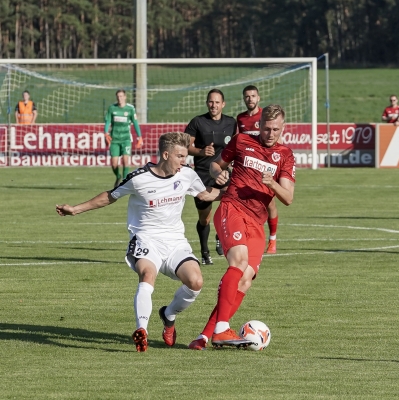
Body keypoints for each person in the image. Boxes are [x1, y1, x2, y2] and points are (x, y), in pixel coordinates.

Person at [56, 132, 223, 352]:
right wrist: (75, 210)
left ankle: (168, 314)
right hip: (146, 239)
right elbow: (110, 196)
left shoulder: (187, 175)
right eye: (180, 156)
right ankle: (141, 331)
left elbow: (205, 195)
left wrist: (238, 191)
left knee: (196, 282)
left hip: (175, 242)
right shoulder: (139, 178)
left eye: (185, 156)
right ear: (165, 154)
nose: (185, 161)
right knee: (147, 275)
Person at [188, 104, 296, 350]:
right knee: (238, 262)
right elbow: (217, 165)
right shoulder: (242, 140)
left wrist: (272, 185)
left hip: (257, 223)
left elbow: (288, 198)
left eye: (276, 129)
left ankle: (204, 337)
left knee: (245, 280)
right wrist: (218, 174)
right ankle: (222, 329)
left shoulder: (286, 155)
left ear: (283, 128)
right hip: (232, 208)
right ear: (259, 126)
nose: (271, 133)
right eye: (267, 128)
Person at [185, 88, 237, 265]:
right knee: (204, 218)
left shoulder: (231, 123)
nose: (213, 105)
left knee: (229, 206)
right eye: (210, 102)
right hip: (202, 175)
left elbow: (237, 146)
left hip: (223, 173)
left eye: (217, 102)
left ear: (223, 104)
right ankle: (204, 251)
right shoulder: (198, 122)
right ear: (207, 103)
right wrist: (200, 151)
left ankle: (220, 236)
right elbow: (185, 146)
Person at [236, 85, 279, 253]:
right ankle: (249, 236)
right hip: (248, 167)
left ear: (258, 98)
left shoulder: (265, 116)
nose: (250, 99)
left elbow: (276, 139)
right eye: (247, 96)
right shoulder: (240, 119)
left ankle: (273, 240)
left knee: (269, 202)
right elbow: (238, 141)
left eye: (253, 96)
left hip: (266, 165)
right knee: (246, 201)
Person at [104, 89, 143, 187]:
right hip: (114, 139)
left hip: (126, 139)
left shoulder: (130, 108)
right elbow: (108, 121)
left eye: (121, 96)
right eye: (118, 96)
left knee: (126, 161)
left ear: (125, 97)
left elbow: (135, 123)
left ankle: (124, 182)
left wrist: (139, 137)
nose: (119, 98)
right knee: (114, 164)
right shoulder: (112, 108)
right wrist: (105, 133)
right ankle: (118, 176)